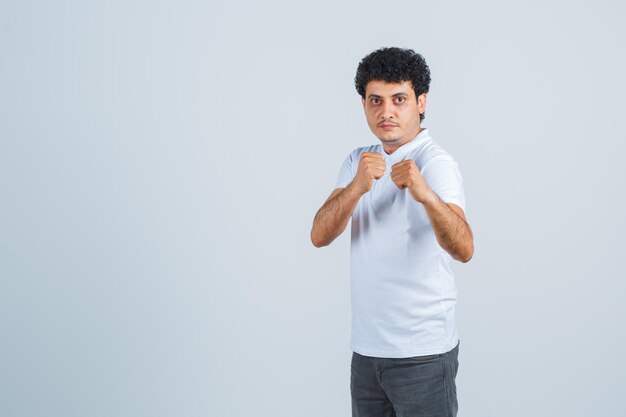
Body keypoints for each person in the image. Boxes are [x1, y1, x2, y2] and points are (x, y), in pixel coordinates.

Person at [310, 47, 475, 417]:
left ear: (421, 102)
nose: (386, 112)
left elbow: (464, 248)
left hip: (423, 355)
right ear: (364, 105)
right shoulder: (358, 161)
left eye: (399, 99)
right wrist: (356, 187)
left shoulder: (436, 163)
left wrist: (425, 195)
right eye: (376, 100)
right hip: (367, 353)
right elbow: (319, 235)